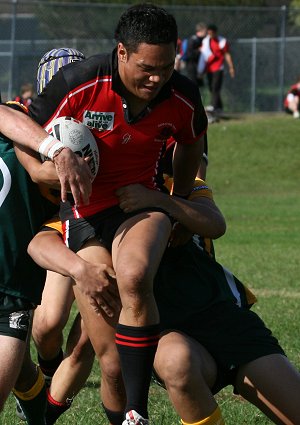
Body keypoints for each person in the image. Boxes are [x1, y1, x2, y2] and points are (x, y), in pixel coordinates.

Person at [28, 4, 208, 424]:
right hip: (85, 218)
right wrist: (49, 164)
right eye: (147, 67)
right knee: (108, 358)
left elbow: (192, 144)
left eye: (166, 67)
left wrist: (177, 201)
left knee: (133, 276)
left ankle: (137, 412)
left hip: (140, 205)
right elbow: (26, 132)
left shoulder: (182, 94)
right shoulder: (79, 82)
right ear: (122, 52)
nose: (157, 78)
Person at [0, 101, 92, 422]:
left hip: (9, 298)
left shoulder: (20, 122)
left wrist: (59, 162)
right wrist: (48, 159)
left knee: (28, 357)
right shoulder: (19, 121)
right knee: (24, 372)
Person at [199, 24, 235, 117]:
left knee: (215, 87)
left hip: (218, 68)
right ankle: (219, 108)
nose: (210, 34)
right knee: (212, 88)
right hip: (209, 69)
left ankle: (213, 106)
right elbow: (204, 56)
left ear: (215, 32)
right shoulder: (206, 42)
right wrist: (202, 70)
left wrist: (231, 67)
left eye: (212, 33)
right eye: (209, 33)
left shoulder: (222, 41)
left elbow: (227, 54)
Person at [184, 22, 207, 87]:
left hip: (199, 66)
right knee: (193, 84)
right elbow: (189, 54)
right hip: (192, 66)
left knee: (199, 85)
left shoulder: (203, 40)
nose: (206, 33)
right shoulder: (193, 40)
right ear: (200, 31)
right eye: (205, 31)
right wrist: (199, 50)